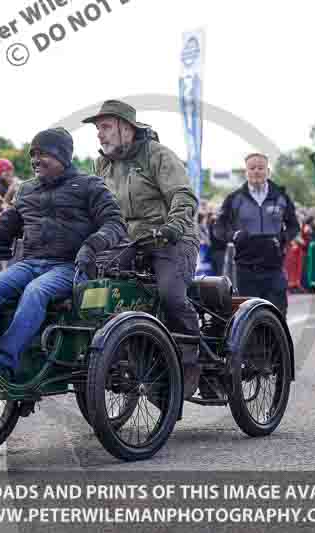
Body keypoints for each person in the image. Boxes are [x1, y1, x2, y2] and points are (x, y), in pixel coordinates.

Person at [0, 128, 127, 384]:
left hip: (70, 266)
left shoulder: (89, 185)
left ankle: (2, 364)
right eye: (33, 154)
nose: (35, 160)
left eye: (43, 154)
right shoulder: (26, 190)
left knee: (36, 292)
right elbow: (3, 229)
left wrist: (91, 246)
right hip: (30, 263)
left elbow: (115, 224)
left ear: (62, 156)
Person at [82, 100, 203, 398]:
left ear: (126, 128)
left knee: (169, 293)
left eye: (105, 127)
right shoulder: (102, 164)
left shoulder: (158, 155)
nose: (100, 134)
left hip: (172, 239)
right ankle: (111, 354)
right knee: (93, 286)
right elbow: (93, 208)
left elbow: (184, 196)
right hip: (128, 242)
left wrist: (173, 227)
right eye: (98, 128)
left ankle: (190, 359)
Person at [214, 153, 298, 317]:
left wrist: (283, 238)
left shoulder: (280, 197)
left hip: (274, 267)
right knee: (248, 317)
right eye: (252, 168)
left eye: (260, 168)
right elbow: (218, 227)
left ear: (268, 171)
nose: (256, 172)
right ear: (246, 172)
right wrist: (234, 236)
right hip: (245, 269)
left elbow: (294, 226)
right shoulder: (234, 198)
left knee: (277, 315)